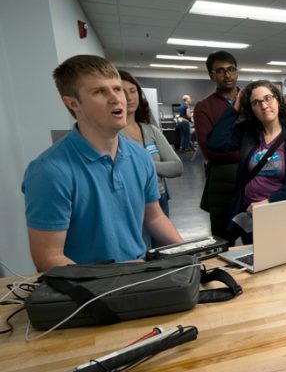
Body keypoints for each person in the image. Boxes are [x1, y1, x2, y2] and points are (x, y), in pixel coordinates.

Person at [22, 55, 183, 271]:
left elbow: (154, 217)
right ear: (72, 103)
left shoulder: (140, 157)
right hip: (87, 291)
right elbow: (48, 257)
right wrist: (113, 279)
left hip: (137, 274)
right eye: (99, 91)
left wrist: (187, 253)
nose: (116, 98)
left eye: (117, 89)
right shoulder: (49, 171)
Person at [228, 80, 286, 244]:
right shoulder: (248, 135)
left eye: (268, 98)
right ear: (251, 109)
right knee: (256, 263)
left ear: (278, 100)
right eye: (256, 102)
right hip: (250, 215)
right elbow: (216, 142)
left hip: (281, 214)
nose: (264, 105)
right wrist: (236, 105)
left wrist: (269, 202)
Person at [119, 70, 183, 219]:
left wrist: (141, 165)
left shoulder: (150, 130)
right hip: (130, 202)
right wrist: (157, 167)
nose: (129, 97)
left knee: (162, 243)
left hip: (159, 197)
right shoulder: (112, 135)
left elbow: (176, 167)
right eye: (121, 92)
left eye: (133, 91)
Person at [193, 50, 241, 244]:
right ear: (211, 75)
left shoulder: (251, 100)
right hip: (223, 181)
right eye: (220, 71)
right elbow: (209, 150)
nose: (227, 75)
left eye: (231, 69)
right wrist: (248, 152)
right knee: (223, 239)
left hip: (255, 177)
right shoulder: (204, 107)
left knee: (259, 237)